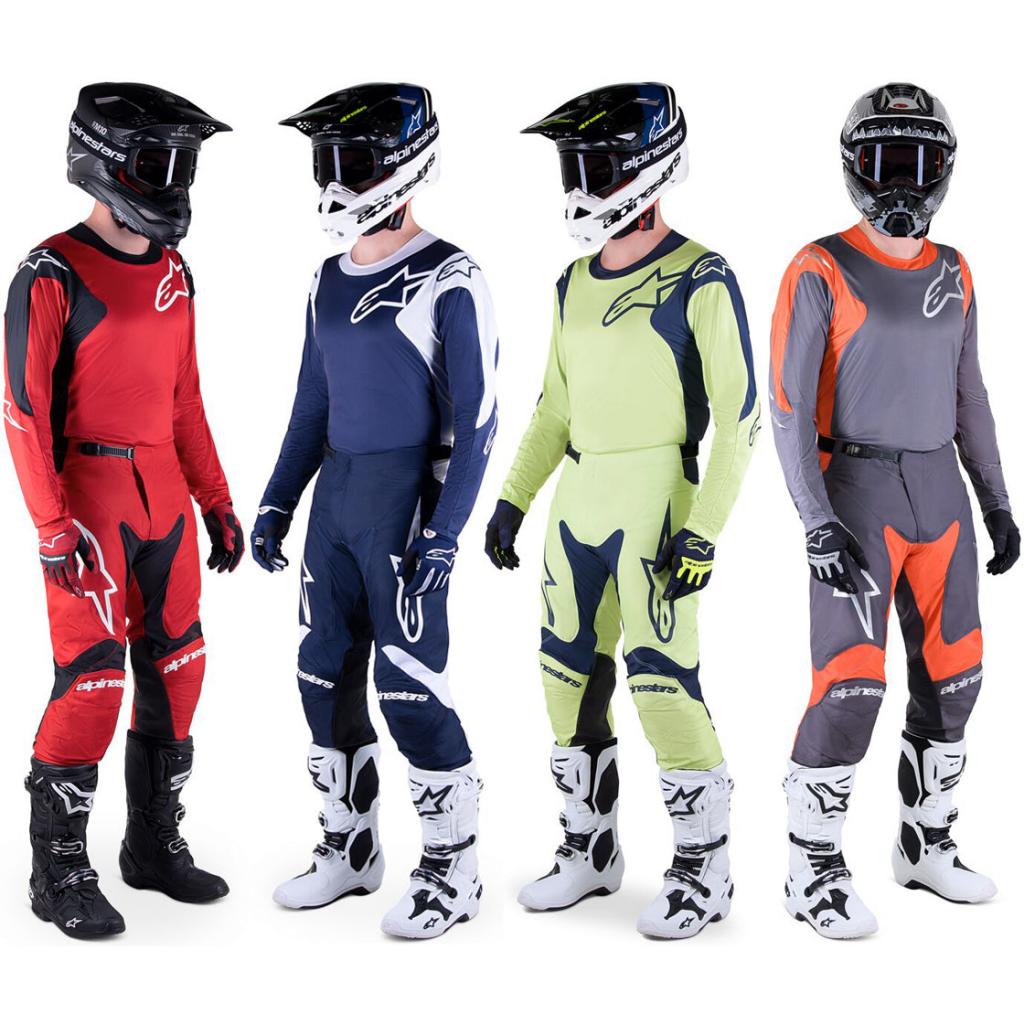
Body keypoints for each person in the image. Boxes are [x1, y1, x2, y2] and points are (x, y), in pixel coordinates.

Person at [486, 83, 759, 939]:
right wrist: (512, 501)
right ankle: (589, 851)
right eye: (573, 167)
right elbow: (553, 409)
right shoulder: (570, 283)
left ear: (650, 169)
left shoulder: (702, 275)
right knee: (563, 679)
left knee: (661, 681)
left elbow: (742, 418)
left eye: (597, 167)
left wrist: (704, 531)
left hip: (658, 504)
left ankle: (704, 871)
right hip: (579, 502)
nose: (580, 185)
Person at [770, 82, 1018, 939]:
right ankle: (811, 869)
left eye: (919, 162)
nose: (902, 182)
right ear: (853, 167)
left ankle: (925, 843)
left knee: (957, 678)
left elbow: (970, 393)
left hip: (940, 495)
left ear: (945, 168)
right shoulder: (817, 267)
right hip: (856, 495)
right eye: (884, 162)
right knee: (850, 688)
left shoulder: (956, 269)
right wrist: (814, 521)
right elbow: (788, 408)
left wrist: (997, 502)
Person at [252, 83, 498, 939]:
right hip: (336, 503)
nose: (334, 180)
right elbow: (311, 404)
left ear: (404, 166)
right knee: (321, 676)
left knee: (408, 686)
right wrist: (278, 501)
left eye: (351, 161)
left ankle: (454, 871)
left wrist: (445, 535)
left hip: (405, 505)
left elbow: (479, 423)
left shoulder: (452, 276)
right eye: (325, 161)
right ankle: (349, 850)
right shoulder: (326, 277)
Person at [4, 83, 243, 940]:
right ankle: (58, 872)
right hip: (90, 503)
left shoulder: (176, 273)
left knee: (181, 669)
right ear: (103, 163)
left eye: (183, 165)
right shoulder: (49, 272)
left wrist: (216, 500)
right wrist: (50, 526)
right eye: (156, 162)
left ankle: (151, 846)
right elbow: (22, 412)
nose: (172, 181)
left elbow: (185, 401)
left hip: (164, 497)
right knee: (94, 679)